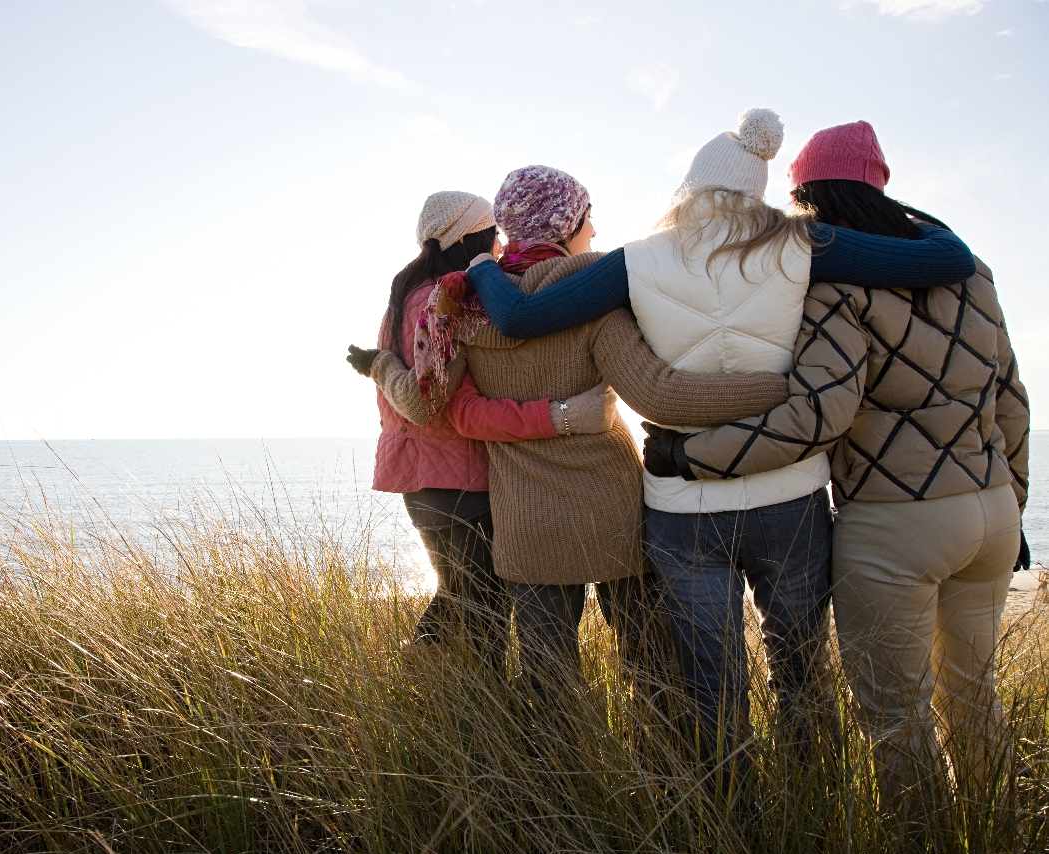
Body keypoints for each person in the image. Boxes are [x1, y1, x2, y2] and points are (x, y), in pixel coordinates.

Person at [461, 109, 980, 782]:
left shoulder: (638, 260)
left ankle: (731, 818)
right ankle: (811, 813)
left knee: (711, 685)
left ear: (689, 187)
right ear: (756, 191)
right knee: (801, 673)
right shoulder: (802, 243)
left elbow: (522, 316)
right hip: (790, 491)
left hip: (683, 505)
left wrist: (479, 267)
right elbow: (948, 260)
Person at [642, 121, 1031, 811]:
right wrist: (1014, 504)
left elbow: (817, 416)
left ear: (808, 198)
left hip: (896, 522)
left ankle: (923, 845)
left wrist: (689, 454)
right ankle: (1005, 831)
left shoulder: (835, 285)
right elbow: (1011, 400)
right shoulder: (972, 271)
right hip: (992, 513)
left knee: (898, 720)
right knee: (976, 700)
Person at [359, 166, 795, 718]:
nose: (593, 231)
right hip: (611, 509)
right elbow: (660, 397)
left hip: (525, 519)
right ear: (565, 227)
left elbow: (457, 412)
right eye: (587, 219)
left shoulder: (465, 308)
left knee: (546, 687)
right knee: (652, 669)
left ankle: (553, 795)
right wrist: (778, 388)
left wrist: (380, 368)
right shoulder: (593, 300)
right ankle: (665, 788)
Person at [350, 190, 619, 673]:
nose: (497, 246)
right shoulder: (448, 299)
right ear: (470, 236)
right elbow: (421, 400)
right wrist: (384, 367)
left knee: (455, 597)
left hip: (418, 483)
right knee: (485, 621)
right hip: (463, 481)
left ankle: (416, 686)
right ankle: (472, 721)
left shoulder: (400, 298)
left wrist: (379, 365)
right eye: (491, 234)